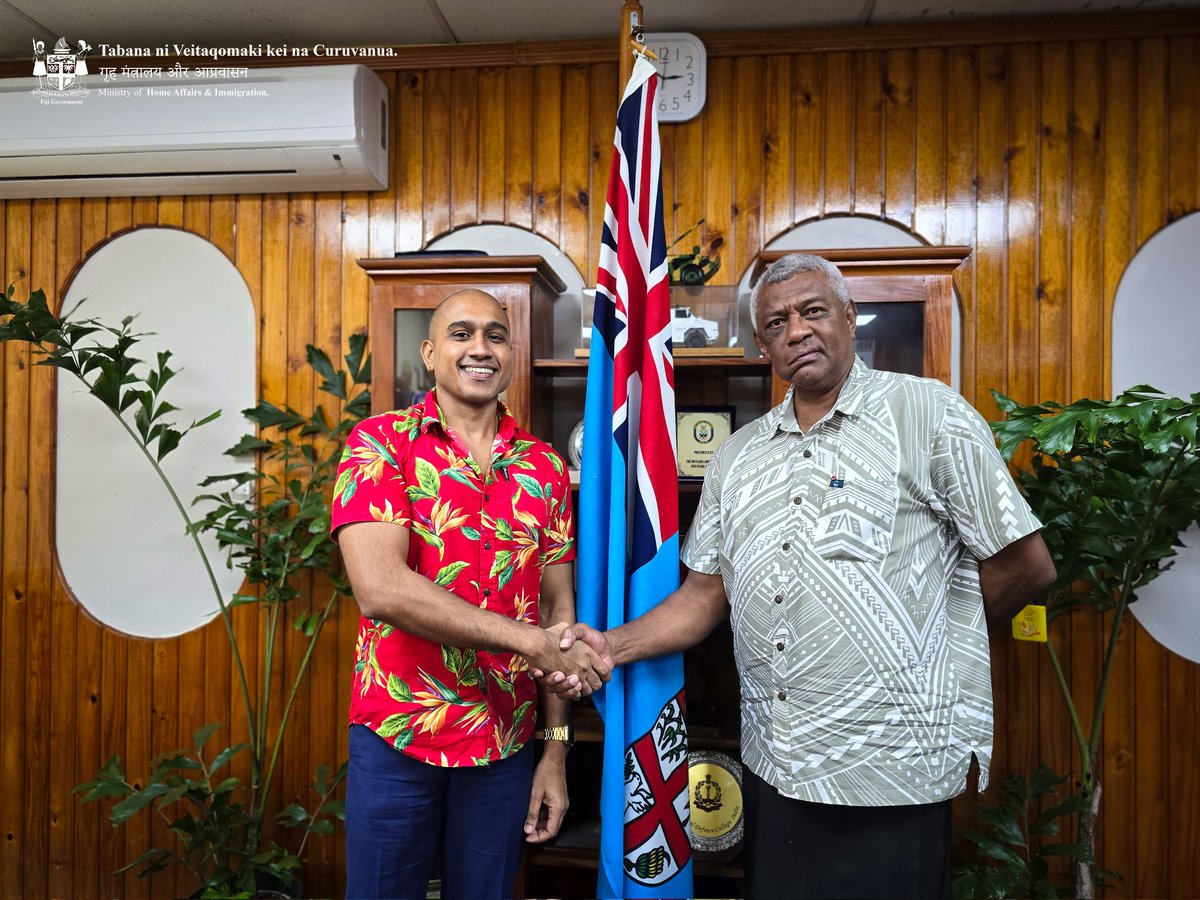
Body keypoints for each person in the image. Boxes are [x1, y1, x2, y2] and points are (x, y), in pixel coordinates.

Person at [554, 253, 1056, 899]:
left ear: (849, 318)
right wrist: (610, 646)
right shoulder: (738, 455)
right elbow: (707, 593)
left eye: (814, 311)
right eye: (777, 322)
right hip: (778, 763)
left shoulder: (929, 414)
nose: (798, 331)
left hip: (891, 764)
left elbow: (1026, 564)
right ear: (764, 345)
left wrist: (922, 641)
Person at [332, 289, 610, 900]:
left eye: (495, 335)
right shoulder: (380, 445)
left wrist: (555, 751)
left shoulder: (545, 469)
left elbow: (557, 614)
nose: (480, 348)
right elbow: (381, 590)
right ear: (430, 354)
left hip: (505, 746)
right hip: (399, 737)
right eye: (461, 334)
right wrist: (530, 643)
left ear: (511, 354)